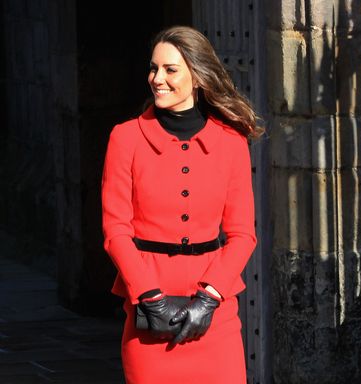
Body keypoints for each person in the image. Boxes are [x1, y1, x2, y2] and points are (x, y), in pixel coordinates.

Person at [101, 25, 264, 384]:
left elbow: (242, 234)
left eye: (170, 69)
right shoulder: (125, 138)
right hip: (149, 316)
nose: (157, 78)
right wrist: (150, 296)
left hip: (216, 317)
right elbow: (116, 230)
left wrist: (209, 299)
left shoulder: (231, 142)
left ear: (198, 76)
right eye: (153, 68)